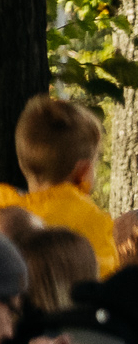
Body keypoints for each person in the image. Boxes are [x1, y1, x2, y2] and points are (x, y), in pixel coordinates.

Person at [0, 96, 117, 264]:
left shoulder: (4, 207)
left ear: (21, 162)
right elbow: (107, 276)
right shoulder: (90, 219)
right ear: (82, 171)